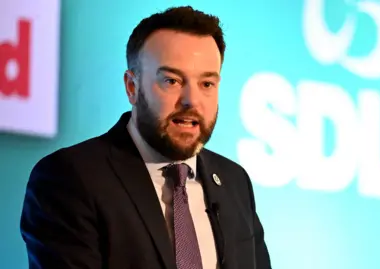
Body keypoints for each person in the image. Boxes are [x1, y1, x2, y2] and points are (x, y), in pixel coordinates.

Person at [20, 6, 271, 269]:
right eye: (172, 81)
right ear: (132, 87)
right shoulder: (70, 177)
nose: (191, 100)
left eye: (206, 84)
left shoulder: (235, 181)